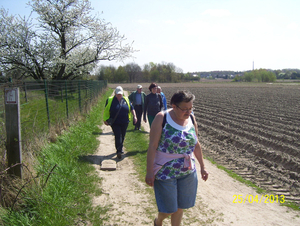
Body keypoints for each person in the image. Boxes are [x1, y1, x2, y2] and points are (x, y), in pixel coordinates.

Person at [145, 90, 208, 226]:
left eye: (191, 108)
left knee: (180, 208)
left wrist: (203, 166)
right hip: (165, 172)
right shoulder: (161, 118)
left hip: (187, 172)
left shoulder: (191, 119)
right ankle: (159, 220)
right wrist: (149, 171)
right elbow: (152, 146)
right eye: (185, 109)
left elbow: (196, 144)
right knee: (168, 209)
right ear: (174, 106)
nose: (188, 112)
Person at [103, 86, 137, 159]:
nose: (119, 95)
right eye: (118, 94)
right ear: (115, 93)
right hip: (115, 122)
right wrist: (105, 119)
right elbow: (106, 110)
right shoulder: (110, 100)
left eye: (120, 94)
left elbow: (132, 108)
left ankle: (119, 148)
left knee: (123, 135)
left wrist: (135, 116)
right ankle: (119, 150)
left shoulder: (126, 99)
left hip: (125, 121)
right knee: (118, 135)